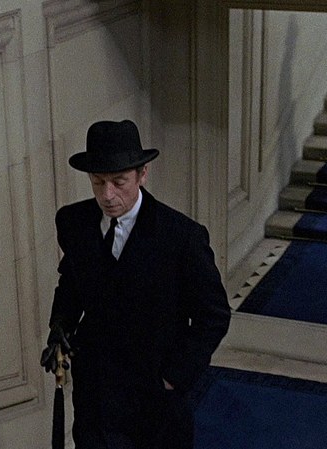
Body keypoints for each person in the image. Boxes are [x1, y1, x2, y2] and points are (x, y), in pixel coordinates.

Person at [40, 119, 231, 449]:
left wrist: (173, 377)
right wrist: (60, 325)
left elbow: (213, 316)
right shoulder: (73, 222)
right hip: (96, 394)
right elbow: (71, 282)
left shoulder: (182, 237)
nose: (107, 195)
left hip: (154, 401)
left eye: (119, 182)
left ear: (142, 174)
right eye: (98, 182)